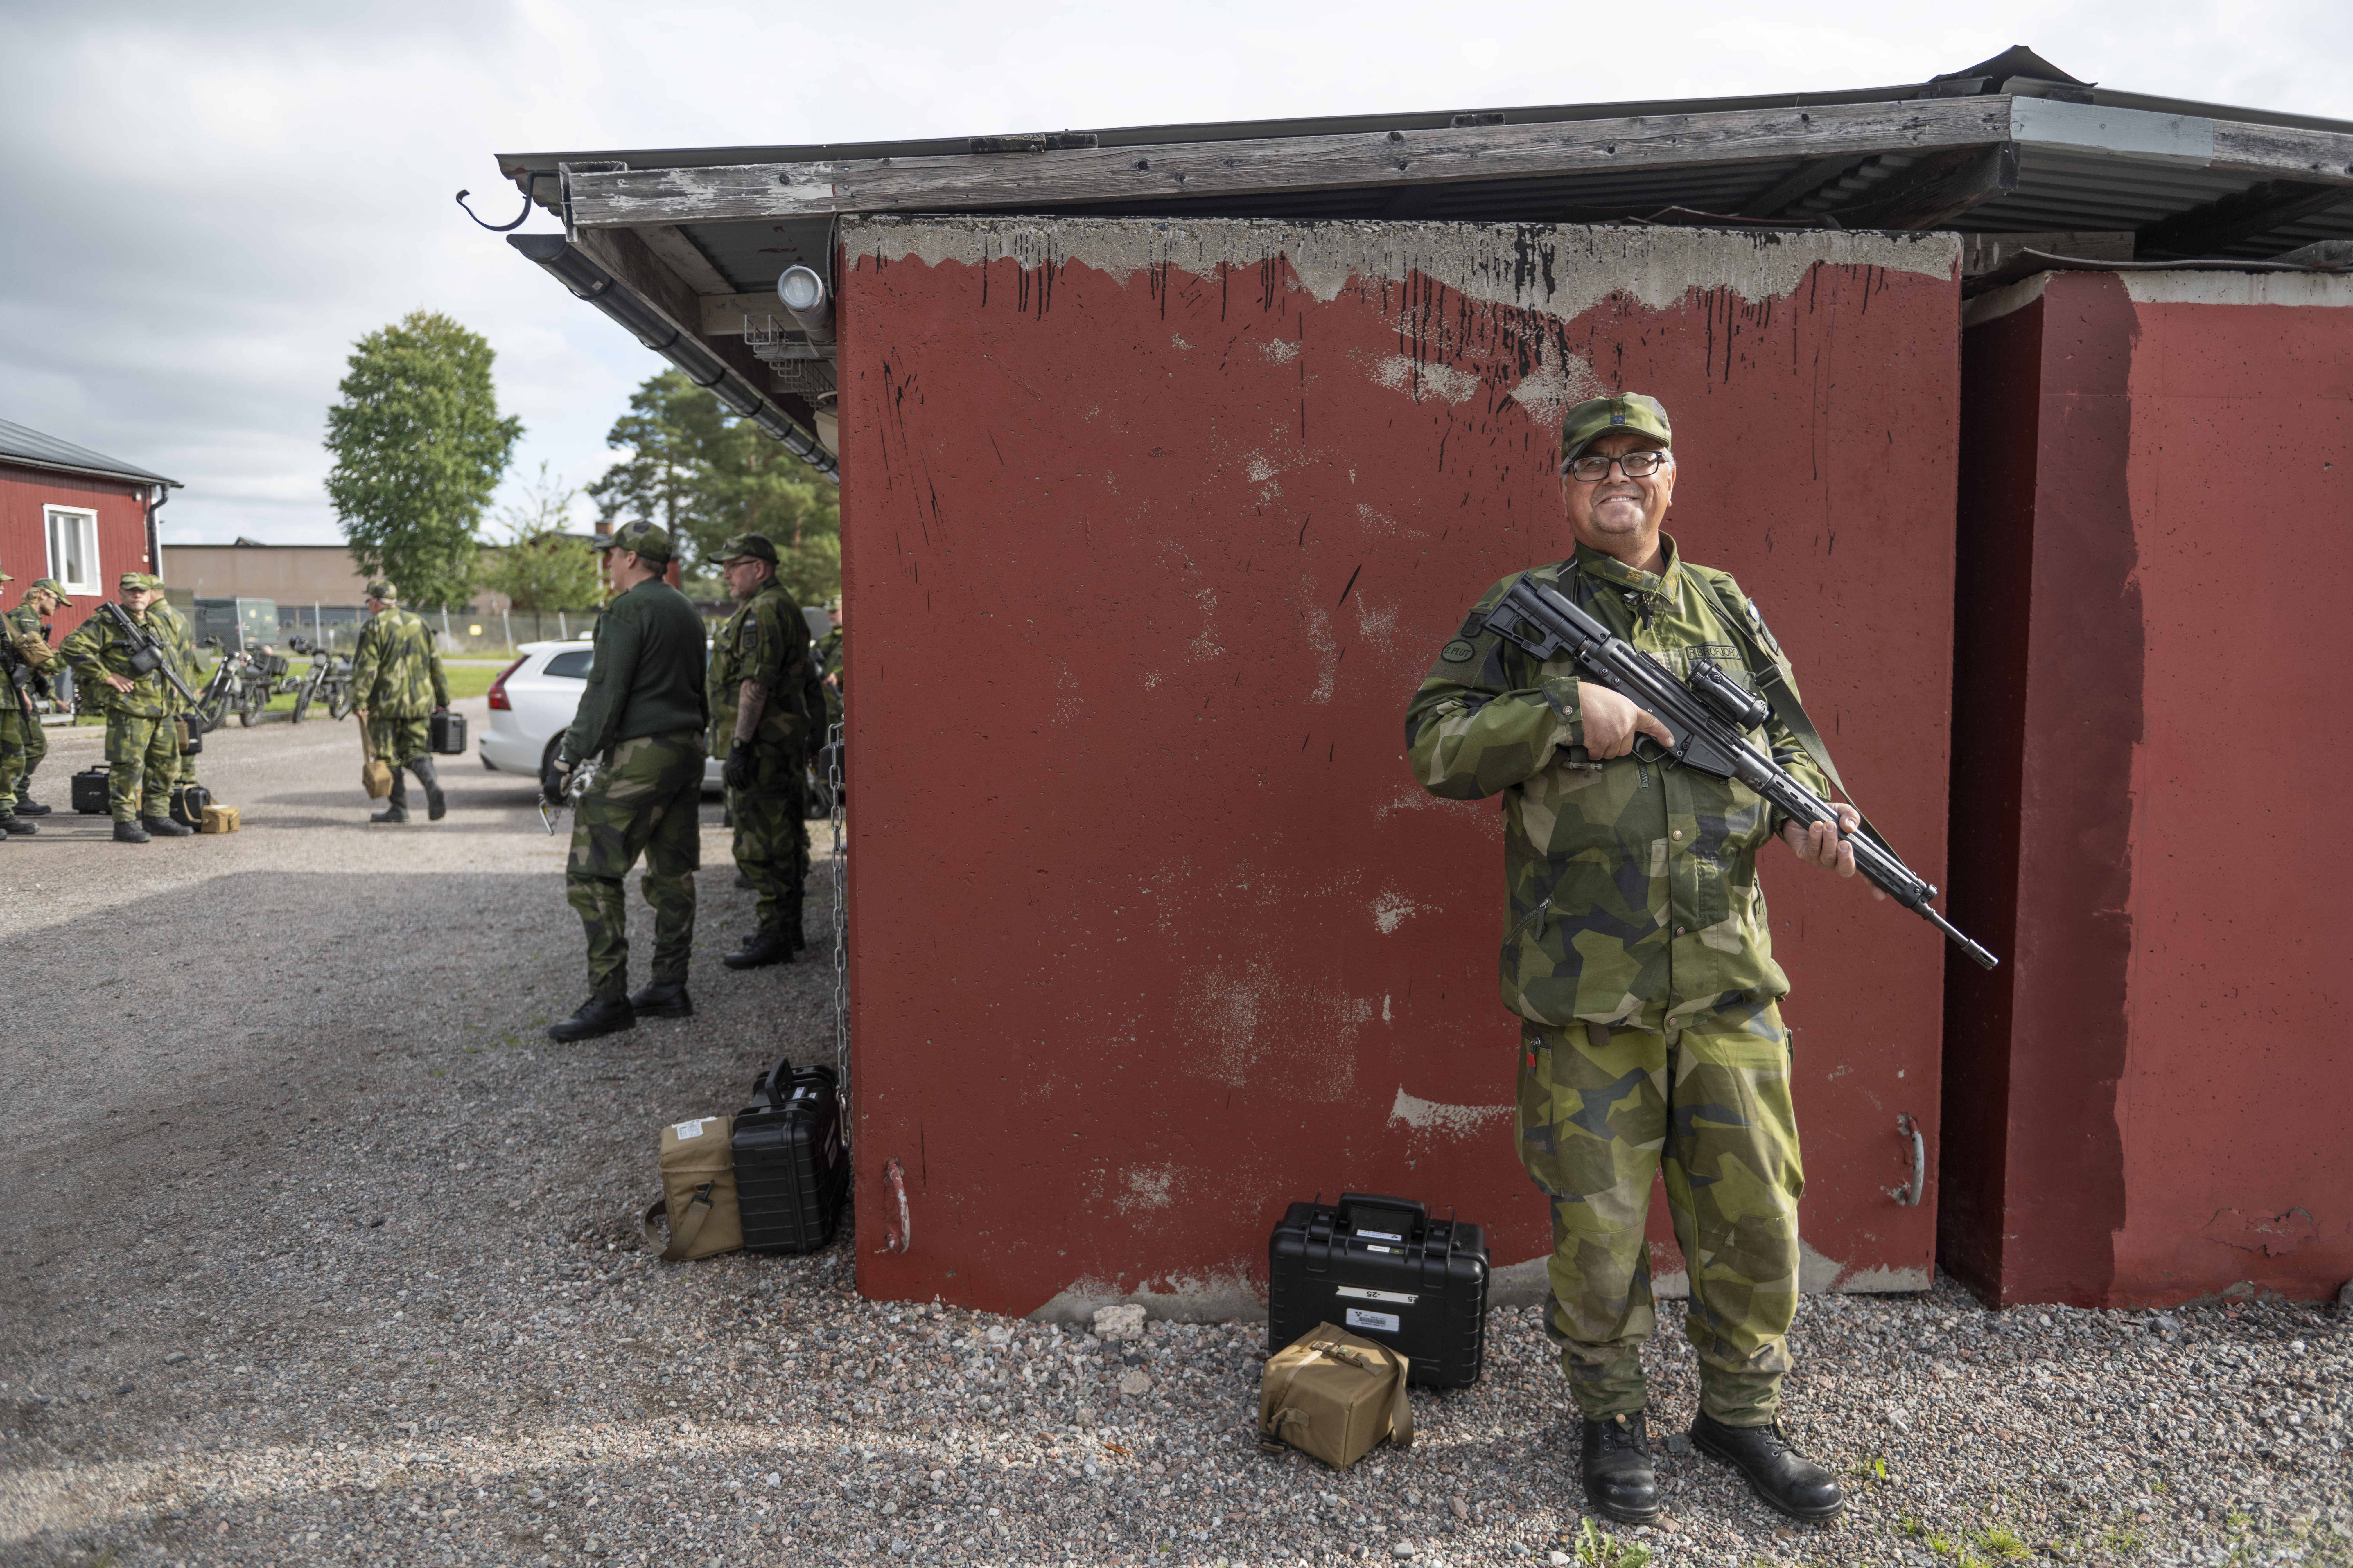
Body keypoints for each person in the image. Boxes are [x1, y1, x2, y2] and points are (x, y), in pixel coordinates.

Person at [1403, 393, 1862, 1526]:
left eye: (1641, 458)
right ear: (1566, 486)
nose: (1619, 475)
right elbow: (1435, 744)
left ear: (1672, 478)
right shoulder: (1524, 614)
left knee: (1755, 1215)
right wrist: (1562, 711)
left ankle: (1740, 1415)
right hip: (1585, 998)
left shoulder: (1725, 608)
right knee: (1599, 1230)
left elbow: (1789, 736)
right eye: (1594, 461)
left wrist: (1820, 813)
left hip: (1726, 986)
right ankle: (1609, 1416)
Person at [542, 521, 708, 1041]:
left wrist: (567, 761)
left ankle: (610, 999)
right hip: (687, 749)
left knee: (591, 872)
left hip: (643, 754)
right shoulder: (685, 609)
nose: (606, 565)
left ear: (632, 557)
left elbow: (605, 690)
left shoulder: (627, 610)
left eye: (610, 556)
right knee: (671, 870)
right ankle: (668, 986)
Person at [707, 534, 821, 969]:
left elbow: (757, 683)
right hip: (779, 744)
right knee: (786, 833)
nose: (725, 575)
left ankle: (775, 934)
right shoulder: (779, 606)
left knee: (762, 841)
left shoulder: (765, 611)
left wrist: (739, 746)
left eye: (733, 566)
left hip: (763, 747)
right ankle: (786, 928)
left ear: (760, 568)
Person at [60, 572, 192, 842]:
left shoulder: (156, 621)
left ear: (149, 594)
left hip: (163, 707)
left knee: (166, 765)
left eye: (142, 591)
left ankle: (157, 816)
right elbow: (71, 647)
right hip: (130, 707)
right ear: (121, 593)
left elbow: (171, 656)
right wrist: (106, 676)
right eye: (131, 591)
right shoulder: (106, 623)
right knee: (128, 767)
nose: (137, 595)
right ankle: (124, 823)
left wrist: (178, 685)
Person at [348, 581, 451, 824]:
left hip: (386, 704)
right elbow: (436, 665)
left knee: (387, 756)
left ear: (375, 602)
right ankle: (432, 786)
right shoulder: (420, 623)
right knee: (416, 750)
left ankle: (399, 809)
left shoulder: (375, 626)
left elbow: (367, 667)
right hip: (420, 702)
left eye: (369, 603)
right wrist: (443, 699)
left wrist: (359, 700)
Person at [2, 577, 70, 819]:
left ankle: (13, 798)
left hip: (21, 688)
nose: (58, 607)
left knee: (22, 746)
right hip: (15, 691)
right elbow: (43, 660)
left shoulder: (24, 617)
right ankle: (15, 797)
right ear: (43, 595)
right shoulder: (26, 618)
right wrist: (73, 654)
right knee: (30, 746)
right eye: (57, 601)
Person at [143, 575, 205, 815]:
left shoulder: (158, 618)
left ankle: (176, 802)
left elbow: (166, 657)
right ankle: (186, 797)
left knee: (172, 749)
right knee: (185, 744)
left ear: (151, 593)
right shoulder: (177, 615)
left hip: (174, 690)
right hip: (185, 687)